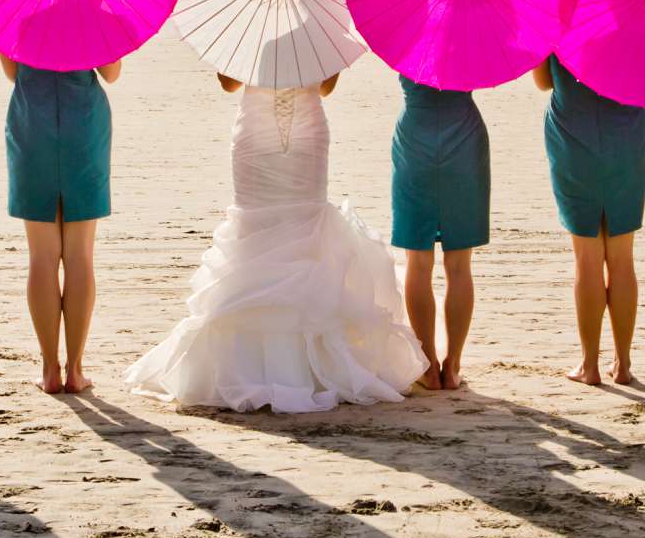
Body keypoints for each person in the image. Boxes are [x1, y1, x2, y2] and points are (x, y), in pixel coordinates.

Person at [127, 70, 426, 412]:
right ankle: (306, 367)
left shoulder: (245, 24)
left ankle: (255, 362)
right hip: (303, 128)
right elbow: (325, 86)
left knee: (267, 230)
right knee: (293, 231)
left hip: (258, 131)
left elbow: (228, 83)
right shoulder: (323, 20)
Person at [1, 52, 120, 395]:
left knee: (42, 256)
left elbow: (13, 72)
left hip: (31, 125)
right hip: (83, 124)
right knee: (80, 255)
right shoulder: (97, 13)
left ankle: (50, 369)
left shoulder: (16, 12)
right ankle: (76, 369)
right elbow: (111, 73)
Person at [531, 54, 645, 386]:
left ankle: (589, 365)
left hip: (573, 134)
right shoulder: (637, 21)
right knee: (622, 257)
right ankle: (623, 364)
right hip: (626, 134)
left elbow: (544, 82)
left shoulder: (556, 22)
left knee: (587, 258)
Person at [390, 72, 489, 390]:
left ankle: (428, 364)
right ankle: (453, 365)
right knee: (459, 264)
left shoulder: (407, 27)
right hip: (464, 136)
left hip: (416, 136)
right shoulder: (474, 31)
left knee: (418, 262)